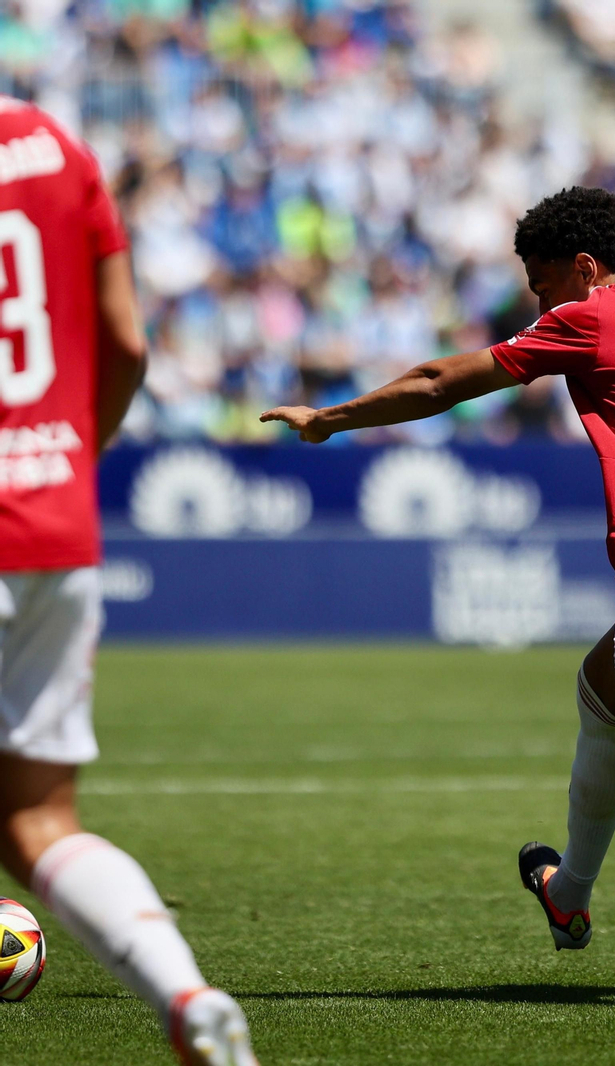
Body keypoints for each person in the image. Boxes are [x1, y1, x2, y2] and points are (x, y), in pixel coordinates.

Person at [262, 186, 615, 1011]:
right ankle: (567, 893)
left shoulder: (597, 314)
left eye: (541, 290)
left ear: (582, 268)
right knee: (601, 691)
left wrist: (333, 417)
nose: (538, 308)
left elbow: (440, 383)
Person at [0, 99, 259, 1063]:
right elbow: (128, 343)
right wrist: (69, 459)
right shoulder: (50, 145)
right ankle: (184, 995)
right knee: (38, 819)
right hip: (51, 517)